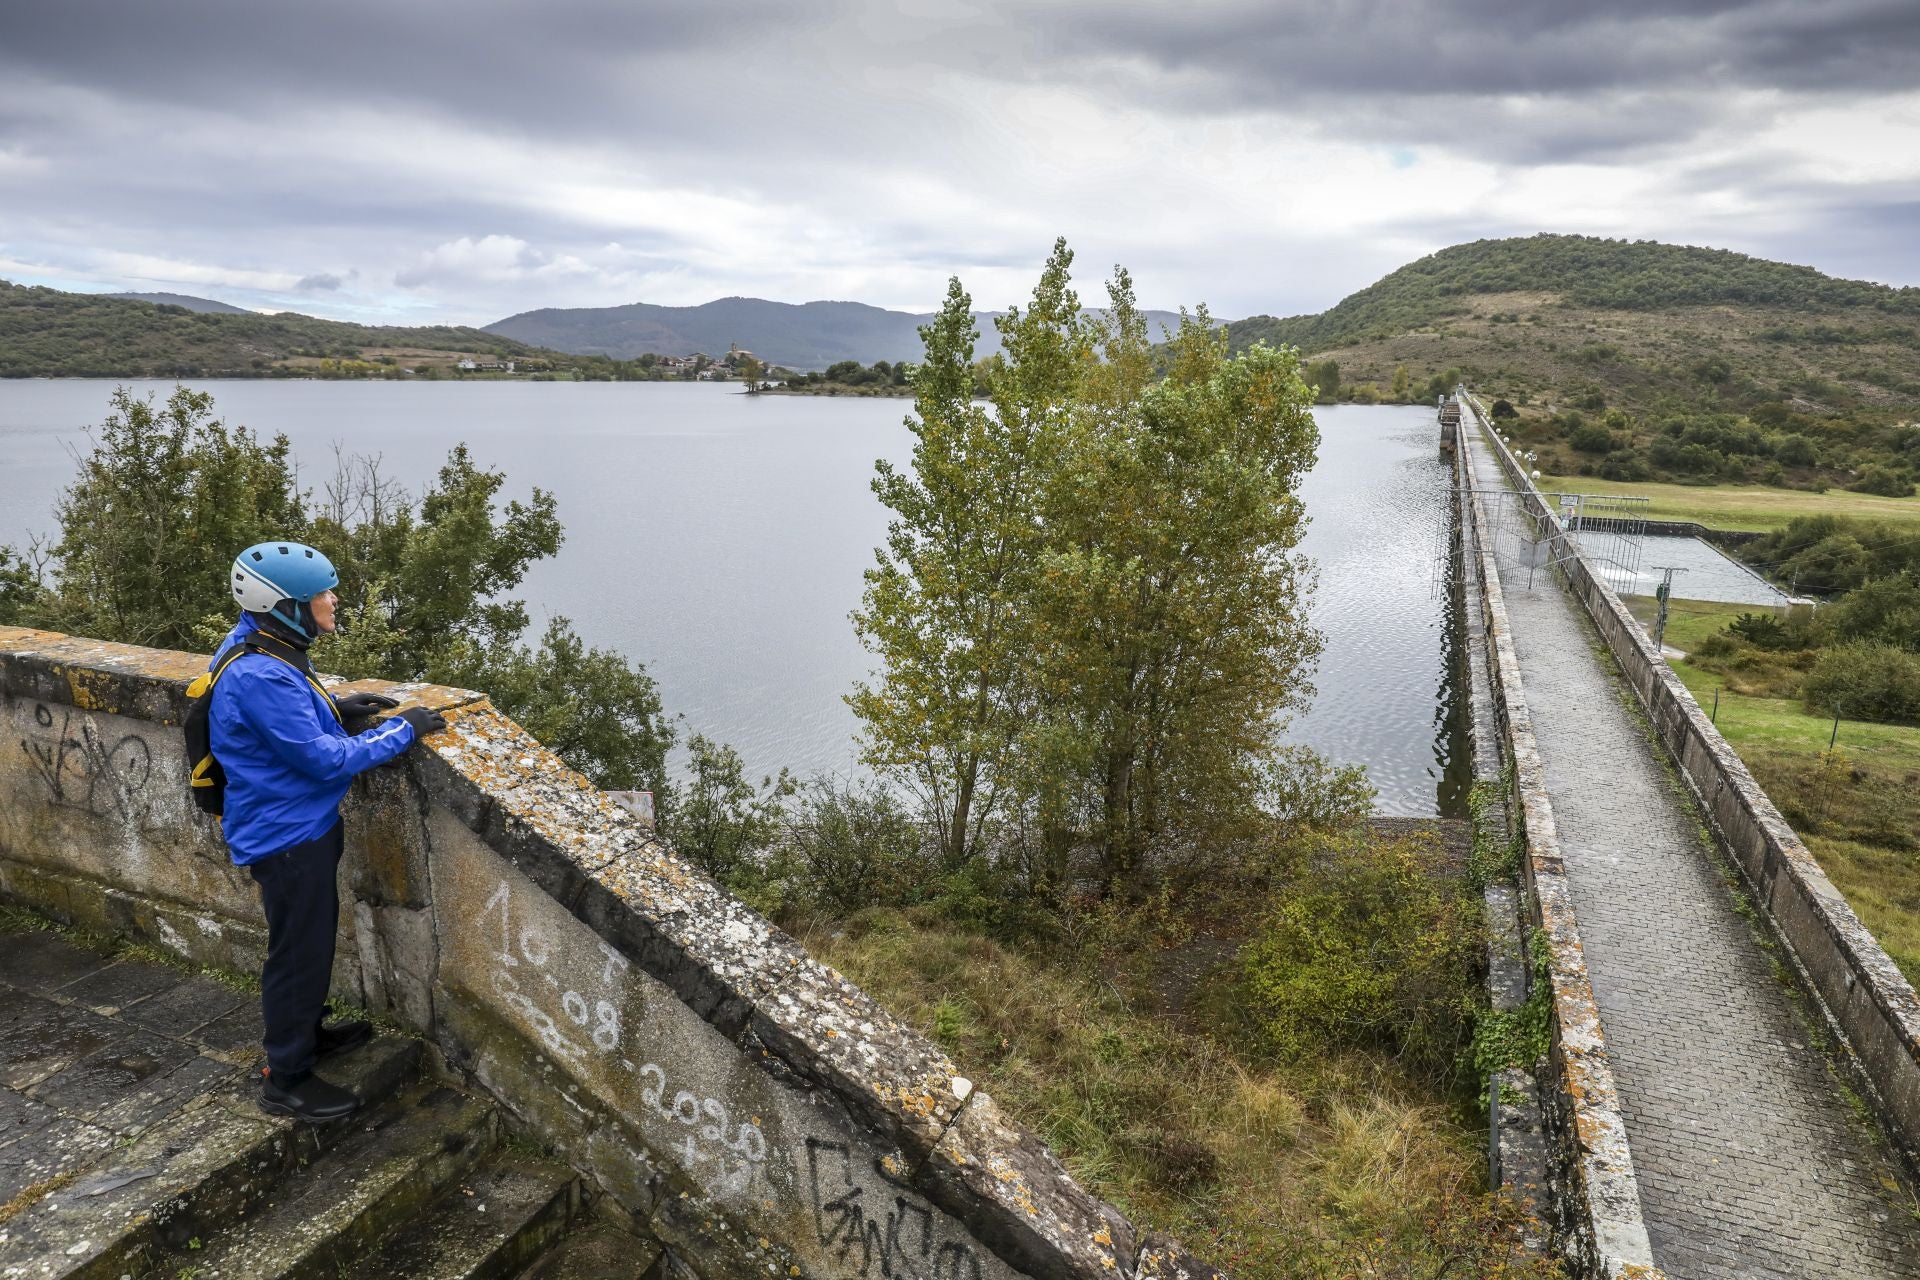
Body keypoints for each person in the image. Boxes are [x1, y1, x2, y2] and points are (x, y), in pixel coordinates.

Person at [210, 540, 447, 1122]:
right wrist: (405, 730)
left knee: (308, 943)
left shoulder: (262, 643)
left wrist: (337, 706)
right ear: (288, 606)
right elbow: (325, 760)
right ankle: (286, 1077)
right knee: (298, 954)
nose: (334, 600)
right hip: (286, 837)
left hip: (297, 827)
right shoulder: (262, 672)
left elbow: (284, 724)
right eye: (322, 595)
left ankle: (307, 1035)